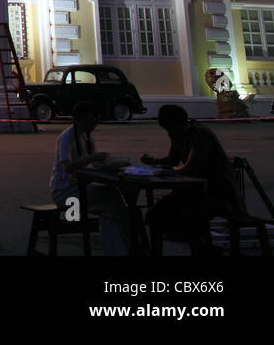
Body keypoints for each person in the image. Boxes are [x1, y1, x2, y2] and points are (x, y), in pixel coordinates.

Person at [142, 104, 241, 254]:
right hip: (192, 191)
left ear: (180, 124)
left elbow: (190, 167)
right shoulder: (177, 135)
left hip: (216, 192)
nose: (169, 134)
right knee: (155, 216)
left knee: (187, 219)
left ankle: (202, 248)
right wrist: (154, 161)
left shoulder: (200, 135)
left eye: (171, 130)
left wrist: (166, 171)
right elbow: (172, 160)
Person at [49, 101, 132, 255]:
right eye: (92, 119)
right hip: (65, 192)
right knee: (112, 199)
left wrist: (110, 164)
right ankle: (128, 244)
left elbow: (94, 166)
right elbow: (67, 167)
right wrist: (91, 158)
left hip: (80, 187)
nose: (94, 123)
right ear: (80, 119)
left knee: (111, 204)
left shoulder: (87, 138)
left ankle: (119, 248)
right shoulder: (66, 137)